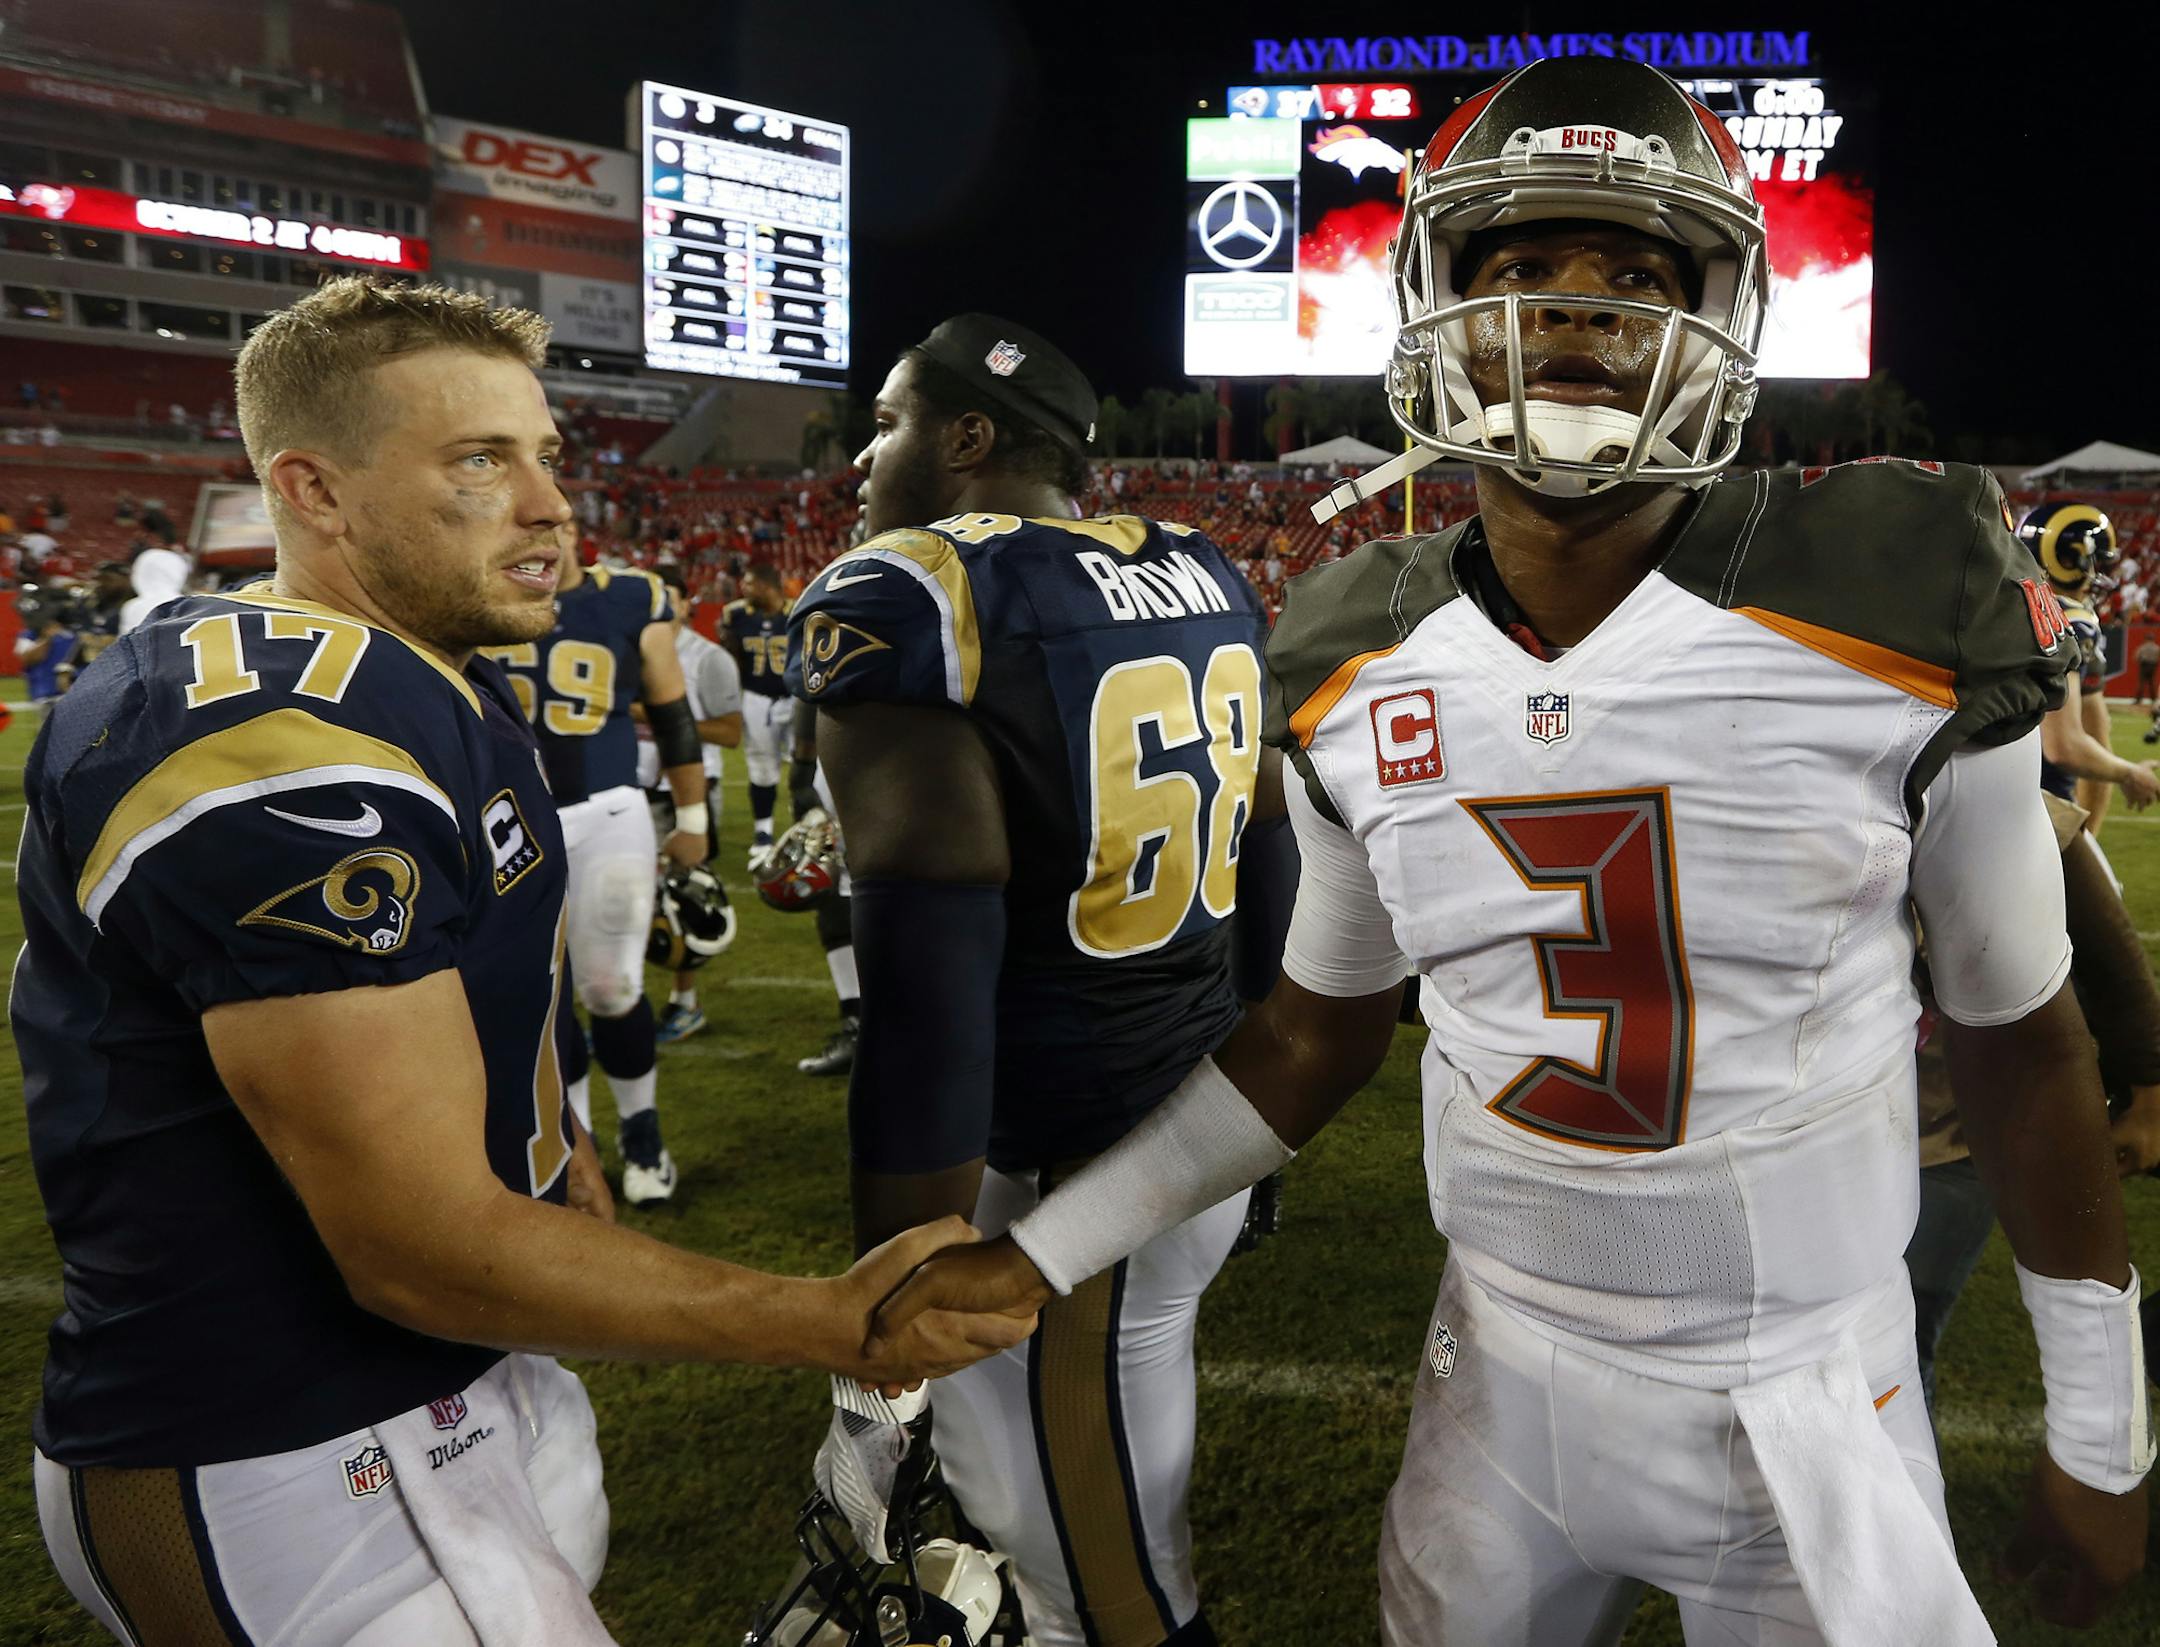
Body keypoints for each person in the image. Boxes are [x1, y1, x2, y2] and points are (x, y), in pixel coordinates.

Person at [875, 59, 2152, 1643]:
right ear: (1434, 303)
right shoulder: (1352, 637)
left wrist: (2103, 1431)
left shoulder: (1895, 583)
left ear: (1723, 313)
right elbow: (1309, 1034)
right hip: (1495, 1372)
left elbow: (2024, 1041)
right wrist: (1043, 1253)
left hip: (1808, 1384)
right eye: (1524, 268)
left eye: (1632, 274)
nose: (1577, 311)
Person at [12, 276, 1031, 1646]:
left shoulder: (432, 677)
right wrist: (832, 1320)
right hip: (286, 1450)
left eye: (546, 454)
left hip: (463, 1380)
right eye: (480, 460)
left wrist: (565, 1170)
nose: (553, 503)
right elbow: (420, 1246)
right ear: (314, 493)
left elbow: (487, 1071)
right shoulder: (272, 740)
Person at [788, 314, 1290, 1647]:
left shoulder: (916, 593)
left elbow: (927, 992)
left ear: (965, 438)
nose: (860, 456)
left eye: (887, 421)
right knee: (1068, 1524)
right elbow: (1270, 850)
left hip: (1068, 1170)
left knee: (1107, 1581)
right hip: (1192, 1114)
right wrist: (1252, 1124)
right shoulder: (1203, 568)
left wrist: (885, 1311)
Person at [1908, 789, 2160, 1411]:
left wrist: (2150, 1094)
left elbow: (2109, 956)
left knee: (1900, 1352)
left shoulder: (1955, 775)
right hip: (1811, 1124)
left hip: (1940, 1131)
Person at [479, 545, 709, 1205]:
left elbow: (671, 714)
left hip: (608, 810)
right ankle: (571, 1142)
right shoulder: (475, 587)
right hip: (510, 816)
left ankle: (644, 1137)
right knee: (539, 998)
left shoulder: (633, 597)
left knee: (610, 989)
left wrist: (691, 816)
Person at [643, 566, 745, 1043]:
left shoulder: (710, 658)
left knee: (680, 899)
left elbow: (730, 732)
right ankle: (627, 1000)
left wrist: (659, 718)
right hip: (631, 784)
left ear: (687, 602)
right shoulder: (627, 650)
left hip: (687, 788)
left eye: (669, 595)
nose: (660, 604)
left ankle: (685, 1002)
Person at [722, 560, 796, 859]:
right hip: (756, 698)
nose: (744, 588)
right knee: (761, 766)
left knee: (808, 767)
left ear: (766, 586)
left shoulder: (799, 610)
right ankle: (763, 831)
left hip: (795, 699)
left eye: (750, 583)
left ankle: (808, 826)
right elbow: (732, 657)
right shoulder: (737, 615)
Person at [2137, 633, 2159, 707]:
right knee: (2152, 683)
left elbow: (2137, 656)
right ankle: (2153, 699)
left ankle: (2138, 699)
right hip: (2153, 665)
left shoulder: (2143, 647)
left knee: (2141, 683)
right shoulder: (2156, 647)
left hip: (2144, 665)